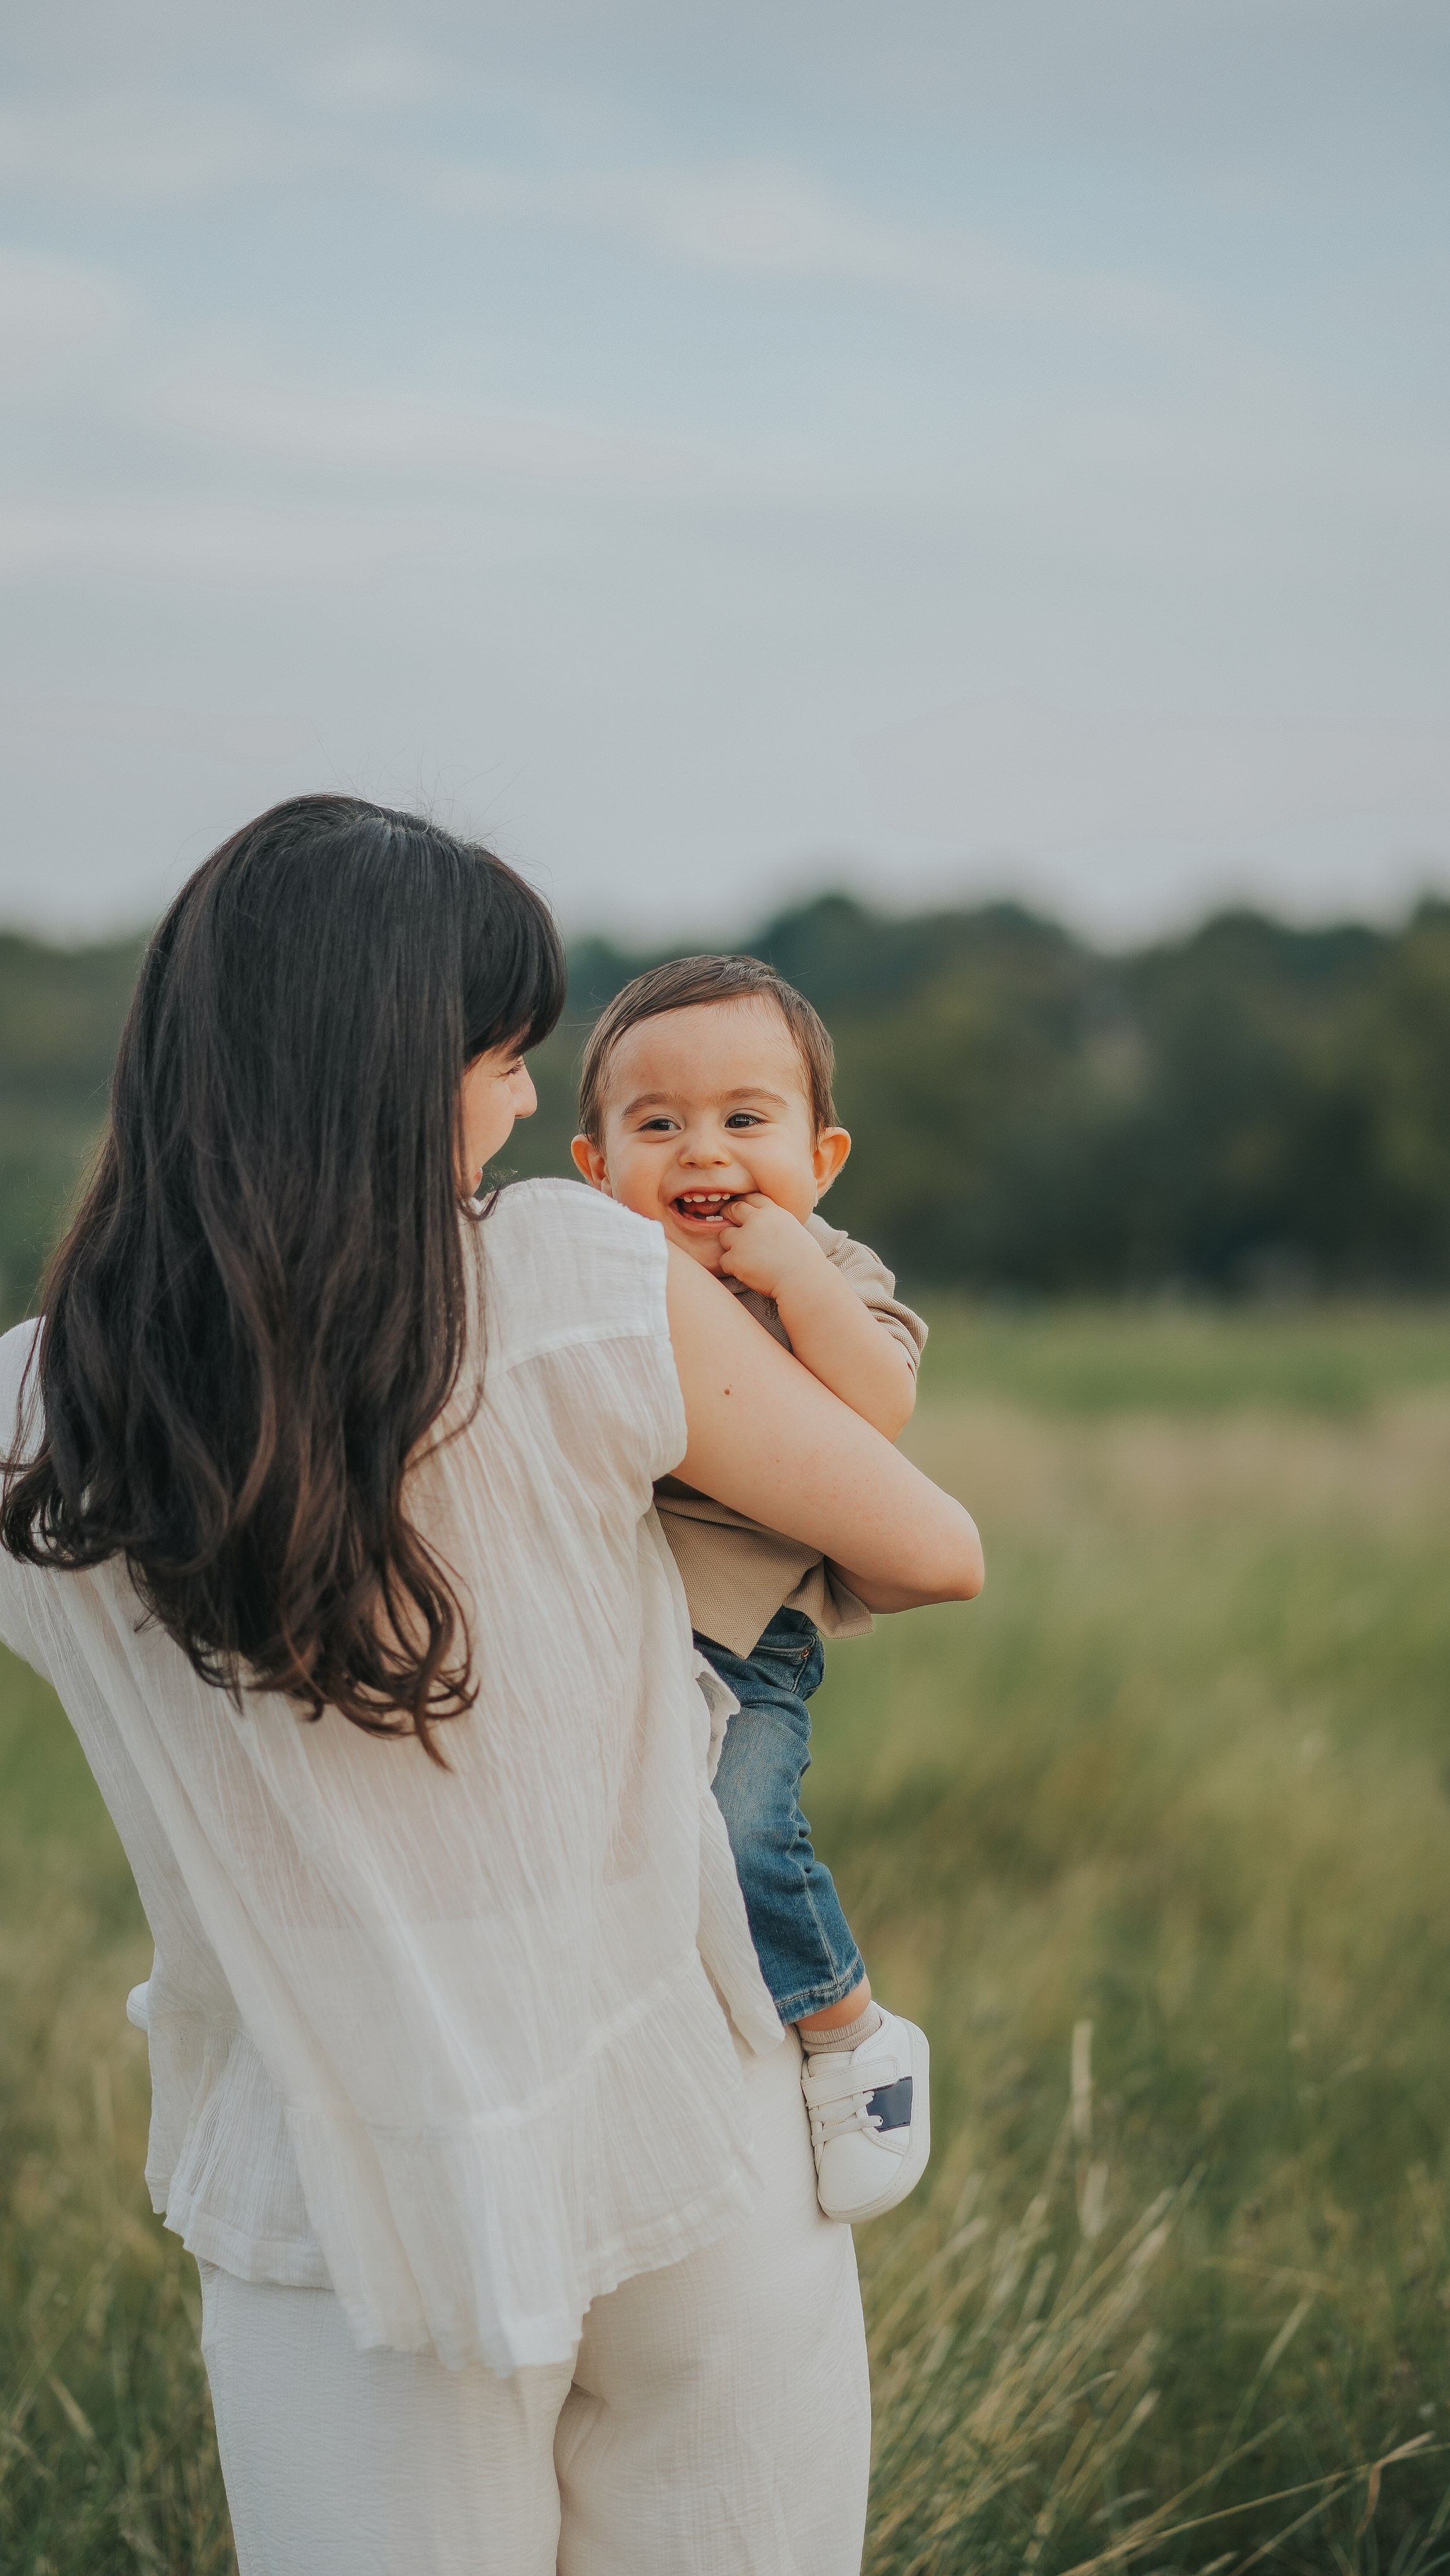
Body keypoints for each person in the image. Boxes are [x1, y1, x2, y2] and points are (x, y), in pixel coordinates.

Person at [0, 795, 983, 2576]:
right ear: (388, 1063)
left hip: (335, 2196)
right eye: (504, 1055)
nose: (527, 1103)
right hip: (685, 2119)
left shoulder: (38, 1417)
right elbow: (928, 1547)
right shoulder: (568, 1275)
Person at [572, 956, 932, 2226]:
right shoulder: (597, 1275)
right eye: (656, 1124)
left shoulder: (835, 1269)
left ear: (820, 1154)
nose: (700, 1151)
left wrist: (795, 1274)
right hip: (605, 1623)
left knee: (737, 1821)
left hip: (744, 1638)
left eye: (744, 1118)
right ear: (594, 1161)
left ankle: (847, 2028)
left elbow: (881, 1406)